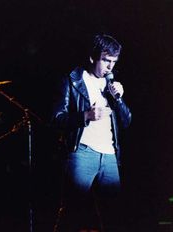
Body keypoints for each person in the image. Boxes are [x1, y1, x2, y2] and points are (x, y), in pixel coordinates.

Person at [52, 34, 132, 231]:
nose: (110, 67)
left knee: (113, 213)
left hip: (110, 155)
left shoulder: (111, 86)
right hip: (82, 152)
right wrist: (86, 115)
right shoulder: (72, 80)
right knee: (73, 211)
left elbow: (126, 121)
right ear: (92, 57)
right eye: (106, 60)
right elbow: (56, 119)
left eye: (114, 62)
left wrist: (119, 99)